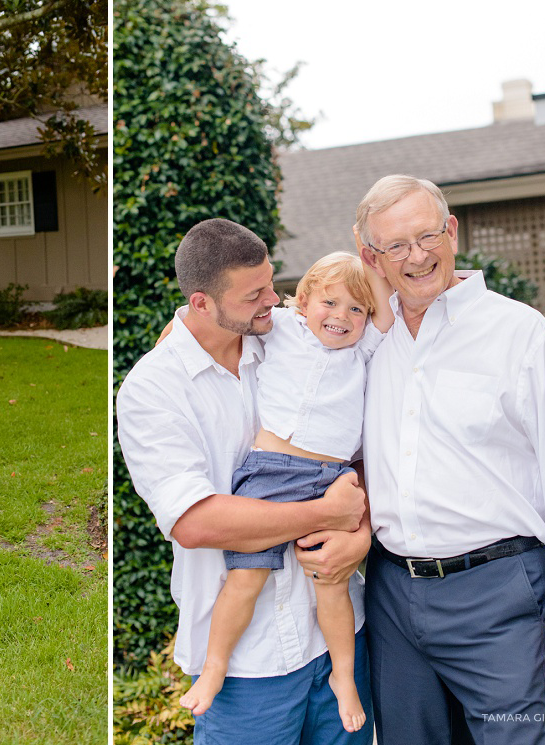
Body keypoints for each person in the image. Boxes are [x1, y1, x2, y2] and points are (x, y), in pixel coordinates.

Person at [295, 174, 545, 744]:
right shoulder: (365, 340)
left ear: (453, 232)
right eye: (396, 246)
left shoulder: (522, 335)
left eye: (428, 235)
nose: (418, 256)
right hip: (392, 594)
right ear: (373, 257)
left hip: (497, 595)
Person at [117, 218, 373, 745]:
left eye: (272, 283)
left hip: (337, 638)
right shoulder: (152, 391)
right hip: (247, 666)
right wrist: (329, 515)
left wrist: (360, 527)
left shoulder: (296, 342)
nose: (273, 300)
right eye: (255, 294)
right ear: (202, 303)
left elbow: (361, 458)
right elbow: (195, 522)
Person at [178, 251, 392, 734]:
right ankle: (215, 665)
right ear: (303, 301)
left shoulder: (365, 352)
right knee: (247, 578)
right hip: (271, 474)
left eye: (356, 310)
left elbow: (387, 312)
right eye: (330, 302)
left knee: (331, 584)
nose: (341, 317)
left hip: (329, 478)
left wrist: (373, 263)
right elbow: (216, 316)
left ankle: (343, 676)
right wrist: (174, 334)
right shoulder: (284, 329)